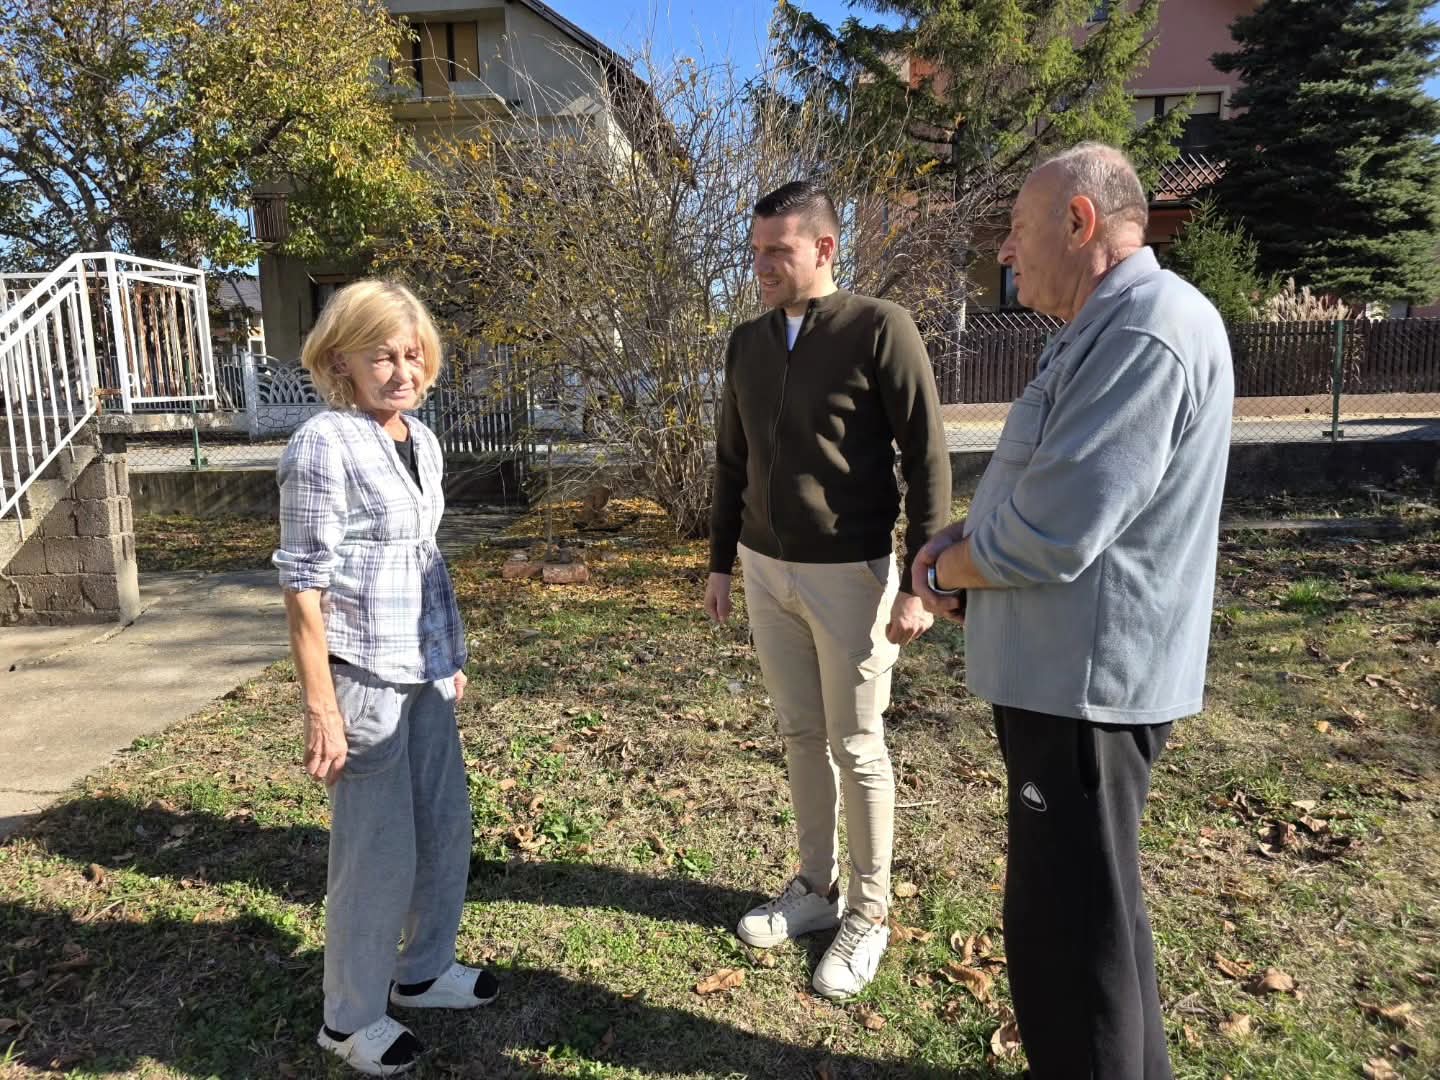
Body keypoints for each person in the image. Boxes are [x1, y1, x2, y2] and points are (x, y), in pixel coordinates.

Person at [913, 143, 1234, 1079]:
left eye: (1017, 228)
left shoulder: (1143, 332)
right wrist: (960, 540)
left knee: (1067, 941)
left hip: (1085, 690)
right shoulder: (1108, 325)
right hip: (1069, 679)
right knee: (1099, 916)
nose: (1008, 251)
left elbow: (1059, 530)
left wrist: (950, 572)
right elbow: (1048, 483)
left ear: (1080, 223)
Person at [704, 180, 951, 1001]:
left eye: (779, 250)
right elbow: (732, 464)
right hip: (765, 569)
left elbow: (927, 459)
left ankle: (871, 915)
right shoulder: (747, 342)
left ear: (824, 250)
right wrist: (718, 563)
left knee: (857, 743)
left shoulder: (881, 329)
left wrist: (920, 577)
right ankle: (816, 890)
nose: (763, 265)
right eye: (756, 251)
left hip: (852, 575)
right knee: (801, 735)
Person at [273, 281, 497, 1077]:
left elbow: (422, 562)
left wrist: (451, 656)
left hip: (427, 670)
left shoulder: (422, 441)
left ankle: (423, 971)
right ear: (342, 360)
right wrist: (321, 707)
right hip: (363, 675)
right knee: (377, 855)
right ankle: (349, 1018)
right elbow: (304, 587)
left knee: (444, 827)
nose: (402, 371)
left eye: (413, 355)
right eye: (383, 356)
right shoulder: (324, 445)